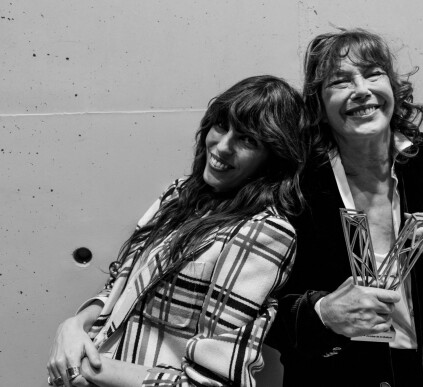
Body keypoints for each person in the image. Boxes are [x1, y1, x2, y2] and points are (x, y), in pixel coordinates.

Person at [47, 75, 307, 387]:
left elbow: (211, 383)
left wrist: (90, 369)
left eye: (248, 140)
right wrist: (73, 326)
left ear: (273, 159)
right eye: (222, 126)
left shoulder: (263, 232)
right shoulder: (180, 195)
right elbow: (120, 286)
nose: (222, 147)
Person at [266, 28, 423, 387]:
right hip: (335, 375)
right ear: (320, 108)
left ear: (392, 89)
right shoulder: (294, 178)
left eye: (373, 74)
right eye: (339, 82)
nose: (361, 89)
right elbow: (259, 309)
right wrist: (321, 313)